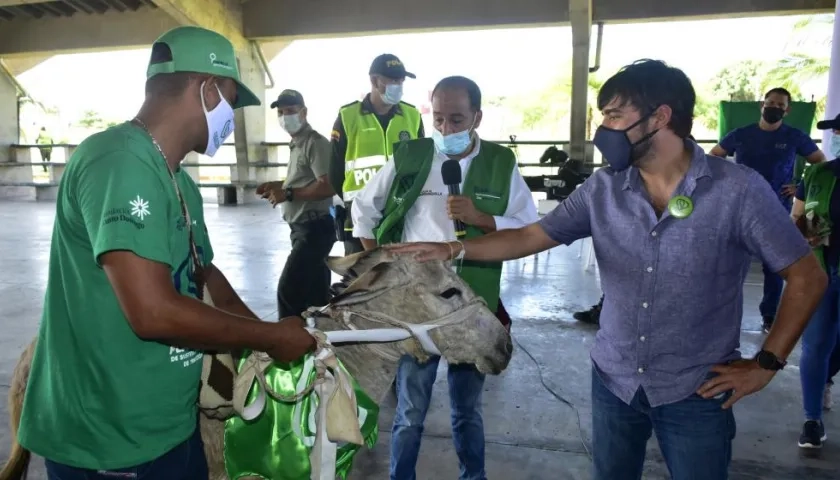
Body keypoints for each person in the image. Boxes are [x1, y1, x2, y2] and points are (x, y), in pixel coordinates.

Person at [388, 59, 827, 480]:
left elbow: (807, 277)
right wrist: (450, 248)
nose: (603, 131)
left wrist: (767, 363)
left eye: (615, 115)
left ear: (659, 118)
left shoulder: (738, 190)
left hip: (697, 390)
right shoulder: (605, 188)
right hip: (614, 383)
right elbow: (532, 235)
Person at [17, 26, 316, 480]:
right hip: (107, 435)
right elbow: (152, 312)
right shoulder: (117, 161)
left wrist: (267, 336)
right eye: (231, 103)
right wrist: (270, 339)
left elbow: (204, 275)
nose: (231, 118)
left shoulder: (179, 181)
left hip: (169, 423)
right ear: (208, 89)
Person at [351, 75, 538, 480]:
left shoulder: (501, 163)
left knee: (466, 408)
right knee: (411, 410)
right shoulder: (412, 155)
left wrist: (481, 218)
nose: (445, 129)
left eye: (456, 119)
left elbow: (527, 227)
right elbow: (364, 208)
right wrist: (380, 266)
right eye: (438, 118)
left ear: (477, 117)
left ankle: (474, 476)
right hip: (416, 303)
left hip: (472, 304)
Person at [710, 88, 826, 333]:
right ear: (762, 105)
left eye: (780, 104)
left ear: (787, 109)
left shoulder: (794, 136)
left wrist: (799, 186)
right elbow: (714, 156)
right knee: (729, 263)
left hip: (776, 210)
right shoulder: (741, 134)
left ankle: (770, 315)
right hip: (738, 209)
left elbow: (820, 162)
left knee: (775, 267)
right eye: (770, 102)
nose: (774, 107)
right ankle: (719, 314)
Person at [328, 53, 425, 256]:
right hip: (359, 217)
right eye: (392, 80)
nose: (398, 85)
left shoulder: (412, 116)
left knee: (400, 275)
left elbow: (421, 164)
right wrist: (357, 203)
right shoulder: (348, 116)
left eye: (401, 80)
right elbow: (335, 172)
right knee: (363, 278)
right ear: (374, 80)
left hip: (400, 215)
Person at [256, 89, 336, 319]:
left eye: (290, 111)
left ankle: (287, 346)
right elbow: (305, 179)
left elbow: (327, 185)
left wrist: (288, 192)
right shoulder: (297, 144)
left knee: (289, 291)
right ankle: (318, 345)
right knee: (316, 296)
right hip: (301, 229)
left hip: (315, 229)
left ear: (304, 113)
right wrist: (279, 185)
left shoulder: (315, 143)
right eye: (280, 112)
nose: (284, 117)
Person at [790, 112, 840, 448]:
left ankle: (826, 379)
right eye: (838, 129)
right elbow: (796, 218)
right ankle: (812, 420)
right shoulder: (819, 174)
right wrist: (804, 234)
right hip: (821, 272)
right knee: (816, 344)